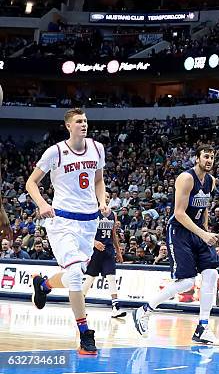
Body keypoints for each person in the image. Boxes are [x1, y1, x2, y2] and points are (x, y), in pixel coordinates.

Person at [26, 108, 107, 355]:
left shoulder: (97, 148)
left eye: (85, 121)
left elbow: (98, 180)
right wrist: (42, 204)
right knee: (74, 276)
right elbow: (31, 182)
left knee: (74, 273)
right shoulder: (55, 152)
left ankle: (44, 285)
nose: (83, 124)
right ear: (68, 126)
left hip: (89, 221)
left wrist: (102, 201)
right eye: (78, 121)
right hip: (62, 220)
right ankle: (85, 334)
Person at [132, 145, 219, 345]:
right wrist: (203, 234)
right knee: (188, 282)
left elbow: (204, 208)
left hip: (198, 231)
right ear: (197, 158)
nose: (209, 160)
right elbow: (180, 213)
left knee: (211, 273)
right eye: (206, 156)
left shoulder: (211, 181)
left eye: (212, 157)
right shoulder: (186, 178)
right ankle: (144, 310)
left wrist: (206, 231)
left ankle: (203, 328)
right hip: (180, 231)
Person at [82, 192, 125, 318]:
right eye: (103, 196)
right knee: (90, 278)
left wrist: (118, 251)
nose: (105, 198)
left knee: (111, 277)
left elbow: (113, 234)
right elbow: (85, 232)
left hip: (108, 249)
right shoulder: (92, 213)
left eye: (107, 197)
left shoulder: (113, 214)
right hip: (95, 251)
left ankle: (115, 308)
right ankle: (80, 306)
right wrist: (94, 242)